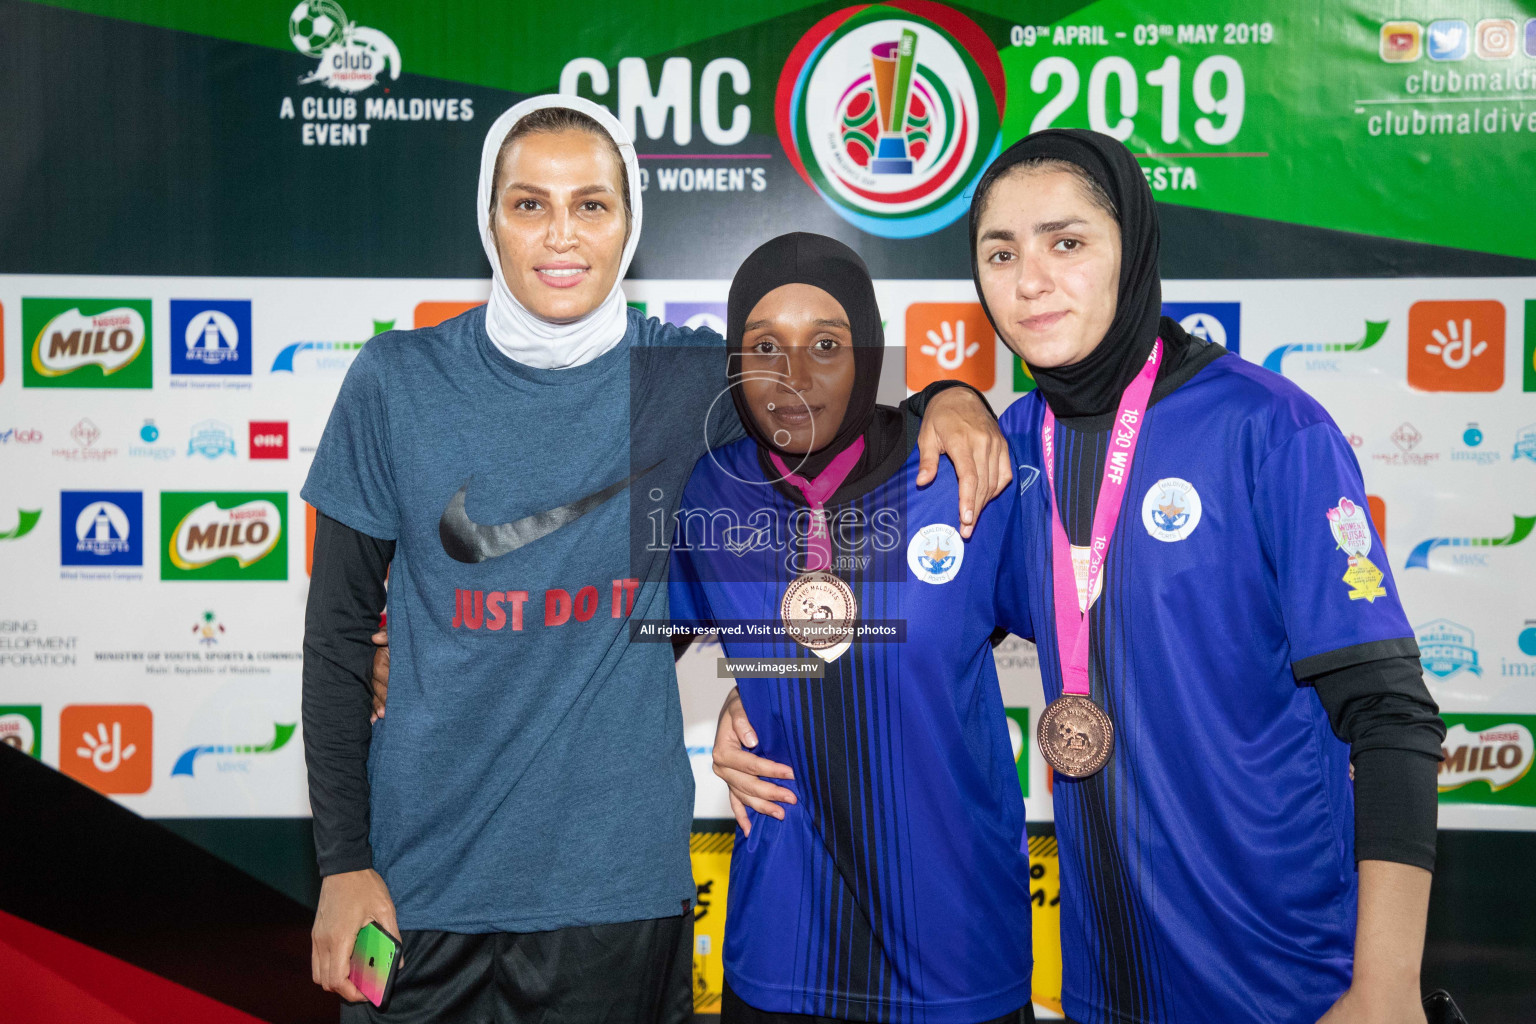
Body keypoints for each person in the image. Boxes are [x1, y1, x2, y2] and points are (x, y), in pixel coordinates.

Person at [301, 94, 1008, 1021]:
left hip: (616, 893)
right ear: (489, 220)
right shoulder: (394, 380)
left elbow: (835, 399)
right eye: (530, 204)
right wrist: (344, 860)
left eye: (592, 204)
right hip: (413, 886)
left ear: (630, 223)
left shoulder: (686, 379)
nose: (562, 235)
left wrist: (951, 398)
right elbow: (338, 637)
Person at [714, 130, 1445, 1024]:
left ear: (1129, 250)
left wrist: (1386, 985)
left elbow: (1392, 715)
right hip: (1107, 985)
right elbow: (891, 629)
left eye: (1066, 243)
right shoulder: (1005, 448)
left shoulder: (1269, 429)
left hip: (1291, 978)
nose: (1030, 280)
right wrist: (758, 699)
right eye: (1000, 252)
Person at [667, 233, 1035, 1023]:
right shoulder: (712, 491)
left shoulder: (962, 474)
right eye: (764, 346)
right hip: (781, 952)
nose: (792, 378)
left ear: (869, 355)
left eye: (826, 345)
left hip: (957, 956)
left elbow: (1112, 634)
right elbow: (604, 654)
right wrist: (417, 652)